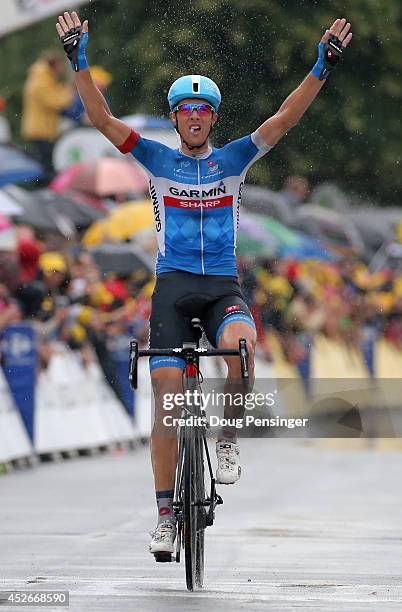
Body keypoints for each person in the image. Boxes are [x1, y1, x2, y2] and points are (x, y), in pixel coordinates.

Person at [56, 10, 352, 558]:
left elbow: (284, 119)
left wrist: (321, 67)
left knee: (241, 350)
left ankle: (229, 439)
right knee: (167, 402)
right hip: (172, 287)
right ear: (175, 117)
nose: (195, 117)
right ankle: (166, 514)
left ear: (213, 118)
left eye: (204, 110)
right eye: (186, 109)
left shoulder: (235, 159)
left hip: (221, 286)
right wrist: (79, 61)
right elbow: (99, 118)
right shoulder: (154, 157)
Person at [21, 49, 74, 182]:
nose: (61, 70)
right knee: (47, 168)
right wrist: (69, 90)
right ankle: (44, 193)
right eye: (60, 66)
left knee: (45, 165)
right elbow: (57, 102)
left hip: (40, 129)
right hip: (41, 131)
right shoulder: (42, 82)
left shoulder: (41, 78)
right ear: (54, 65)